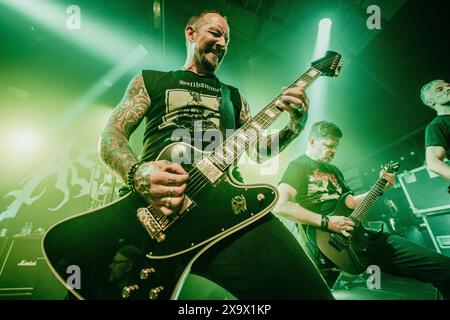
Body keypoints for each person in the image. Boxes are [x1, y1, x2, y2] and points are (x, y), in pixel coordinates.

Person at [99, 10, 333, 299]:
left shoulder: (233, 97)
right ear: (191, 33)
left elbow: (259, 152)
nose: (222, 43)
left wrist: (296, 126)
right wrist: (137, 174)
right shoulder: (151, 80)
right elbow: (111, 134)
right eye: (215, 32)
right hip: (155, 207)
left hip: (229, 210)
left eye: (227, 39)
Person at [273, 121, 450, 299]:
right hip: (328, 245)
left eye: (336, 147)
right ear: (312, 141)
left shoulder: (334, 170)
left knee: (443, 267)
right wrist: (328, 222)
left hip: (359, 237)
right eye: (329, 145)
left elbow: (350, 202)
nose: (333, 151)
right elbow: (281, 205)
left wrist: (379, 187)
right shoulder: (298, 166)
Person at [421, 79, 450, 180]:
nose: (448, 88)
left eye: (448, 86)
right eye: (439, 89)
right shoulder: (437, 125)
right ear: (430, 101)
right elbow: (433, 163)